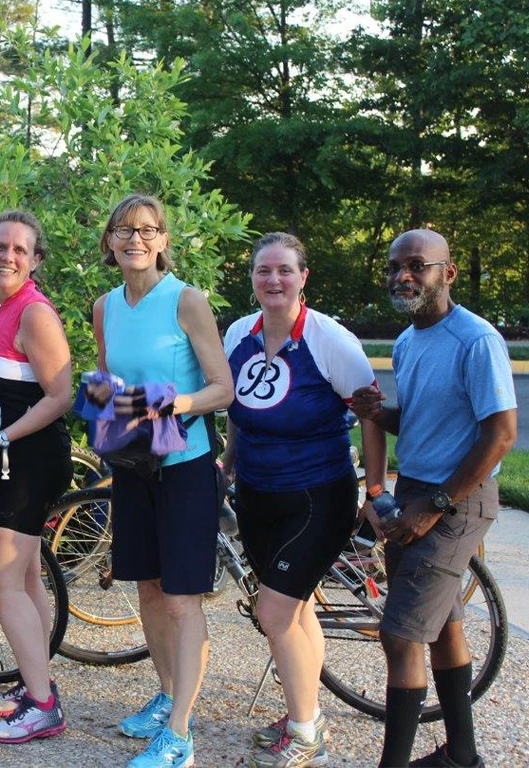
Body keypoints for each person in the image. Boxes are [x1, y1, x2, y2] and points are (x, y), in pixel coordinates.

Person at [351, 229, 517, 768]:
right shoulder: (407, 341)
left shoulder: (476, 339)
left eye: (417, 265)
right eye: (395, 267)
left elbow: (501, 435)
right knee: (443, 629)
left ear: (447, 273)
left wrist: (435, 505)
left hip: (455, 501)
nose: (403, 275)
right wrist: (378, 414)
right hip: (418, 493)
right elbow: (421, 423)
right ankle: (462, 756)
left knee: (399, 638)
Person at [222, 232, 387, 768]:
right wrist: (227, 463)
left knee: (273, 610)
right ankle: (307, 711)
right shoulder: (237, 334)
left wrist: (376, 488)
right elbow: (234, 409)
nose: (273, 280)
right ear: (252, 278)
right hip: (256, 494)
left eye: (284, 271)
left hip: (317, 495)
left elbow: (371, 413)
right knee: (294, 612)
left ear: (302, 277)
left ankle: (304, 734)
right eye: (263, 271)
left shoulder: (329, 338)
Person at [86, 193, 234, 768]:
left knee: (180, 600)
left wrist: (173, 404)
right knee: (147, 587)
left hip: (185, 467)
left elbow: (224, 388)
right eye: (123, 230)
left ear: (164, 241)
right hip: (133, 465)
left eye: (147, 230)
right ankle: (169, 693)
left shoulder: (187, 301)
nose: (135, 239)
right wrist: (104, 406)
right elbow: (109, 379)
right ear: (110, 242)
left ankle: (180, 735)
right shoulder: (105, 305)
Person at [0, 211, 73, 743]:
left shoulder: (34, 314)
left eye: (20, 250)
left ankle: (44, 707)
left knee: (1, 580)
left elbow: (61, 396)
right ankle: (36, 684)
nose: (7, 256)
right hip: (2, 455)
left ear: (37, 259)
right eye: (0, 246)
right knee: (24, 579)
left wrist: (1, 437)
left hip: (25, 460)